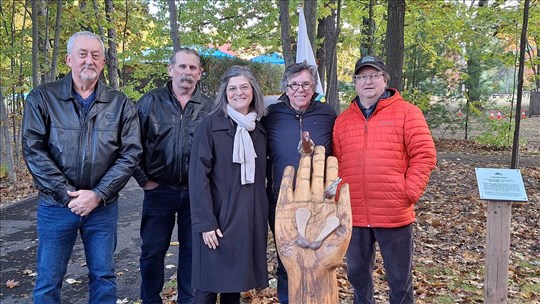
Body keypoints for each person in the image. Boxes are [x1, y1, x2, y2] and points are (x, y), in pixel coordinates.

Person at [22, 31, 142, 303]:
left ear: (103, 62)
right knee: (48, 280)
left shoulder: (120, 103)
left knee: (103, 277)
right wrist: (68, 195)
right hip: (56, 206)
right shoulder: (43, 98)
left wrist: (98, 194)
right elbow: (33, 149)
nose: (89, 60)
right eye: (83, 54)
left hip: (102, 207)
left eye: (96, 55)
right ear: (68, 59)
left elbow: (130, 153)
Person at [332, 55, 437, 304]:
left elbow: (424, 154)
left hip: (393, 212)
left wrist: (407, 191)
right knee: (357, 276)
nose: (368, 81)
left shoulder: (407, 113)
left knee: (399, 280)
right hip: (355, 213)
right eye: (362, 77)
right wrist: (338, 198)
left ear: (384, 80)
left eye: (373, 75)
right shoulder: (343, 120)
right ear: (355, 83)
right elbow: (336, 161)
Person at [134, 48, 214, 304]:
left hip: (196, 193)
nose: (186, 72)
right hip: (159, 191)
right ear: (170, 70)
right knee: (152, 252)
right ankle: (150, 299)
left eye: (192, 68)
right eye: (182, 67)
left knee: (192, 253)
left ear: (200, 74)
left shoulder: (211, 107)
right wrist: (144, 180)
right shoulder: (149, 102)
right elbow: (130, 145)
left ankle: (187, 301)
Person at [189, 65, 269, 304]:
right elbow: (197, 177)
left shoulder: (259, 129)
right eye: (232, 88)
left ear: (253, 90)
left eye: (244, 87)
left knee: (234, 288)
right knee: (206, 289)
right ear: (224, 93)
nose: (239, 93)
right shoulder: (210, 125)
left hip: (247, 220)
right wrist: (205, 223)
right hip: (217, 221)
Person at [261, 61, 336, 304]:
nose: (300, 89)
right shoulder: (271, 116)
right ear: (286, 88)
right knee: (288, 257)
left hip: (319, 200)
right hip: (281, 200)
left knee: (318, 257)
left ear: (314, 87)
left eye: (305, 84)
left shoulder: (328, 114)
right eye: (294, 85)